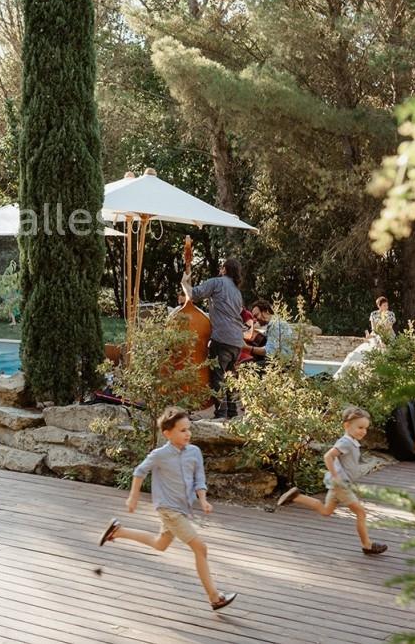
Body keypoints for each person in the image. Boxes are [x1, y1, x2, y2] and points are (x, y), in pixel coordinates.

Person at [96, 408, 238, 611]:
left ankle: (118, 531)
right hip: (168, 509)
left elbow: (200, 479)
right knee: (200, 548)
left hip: (182, 508)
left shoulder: (194, 452)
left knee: (160, 544)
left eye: (189, 429)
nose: (187, 434)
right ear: (167, 433)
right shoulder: (160, 455)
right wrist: (133, 497)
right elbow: (139, 472)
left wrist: (203, 500)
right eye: (182, 430)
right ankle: (214, 597)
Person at [276, 406, 388, 556]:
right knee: (361, 513)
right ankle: (367, 545)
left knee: (326, 511)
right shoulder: (346, 442)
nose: (363, 431)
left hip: (340, 485)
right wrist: (336, 476)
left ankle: (297, 497)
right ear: (347, 426)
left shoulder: (351, 442)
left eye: (366, 428)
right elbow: (328, 456)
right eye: (360, 427)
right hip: (340, 485)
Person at [182, 258, 245, 418]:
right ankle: (232, 412)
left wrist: (185, 280)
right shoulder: (237, 292)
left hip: (222, 337)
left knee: (217, 376)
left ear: (224, 269)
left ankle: (221, 413)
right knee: (230, 377)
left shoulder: (217, 283)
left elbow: (192, 295)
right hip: (237, 340)